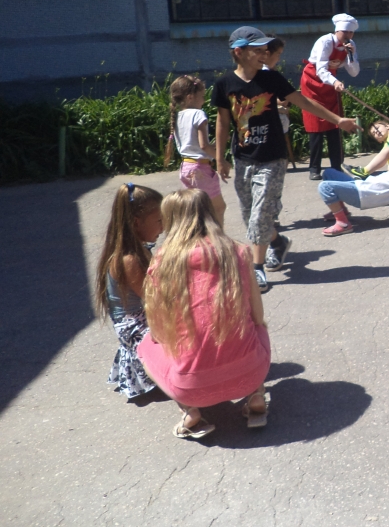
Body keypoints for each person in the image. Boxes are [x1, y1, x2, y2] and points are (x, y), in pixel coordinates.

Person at [212, 26, 359, 293]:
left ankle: (256, 269)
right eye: (258, 50)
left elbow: (304, 102)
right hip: (243, 157)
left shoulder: (272, 79)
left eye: (265, 50)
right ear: (239, 52)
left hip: (273, 157)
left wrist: (338, 120)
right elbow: (222, 122)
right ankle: (278, 242)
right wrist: (220, 158)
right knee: (250, 214)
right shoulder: (224, 84)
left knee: (260, 214)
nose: (264, 54)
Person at [137, 189, 271, 439]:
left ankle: (190, 411)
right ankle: (256, 395)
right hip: (252, 373)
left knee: (145, 346)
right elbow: (257, 314)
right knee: (257, 326)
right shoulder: (238, 252)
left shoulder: (163, 261)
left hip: (191, 388)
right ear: (210, 212)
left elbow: (158, 330)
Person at [96, 182, 163, 400]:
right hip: (134, 326)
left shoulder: (139, 250)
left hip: (140, 316)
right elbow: (155, 299)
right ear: (136, 222)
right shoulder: (129, 259)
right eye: (159, 221)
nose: (163, 227)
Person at [299, 14, 360, 180]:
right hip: (313, 84)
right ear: (337, 31)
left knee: (335, 123)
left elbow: (354, 72)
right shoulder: (325, 42)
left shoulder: (350, 45)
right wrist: (335, 81)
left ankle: (336, 166)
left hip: (331, 85)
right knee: (315, 126)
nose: (348, 36)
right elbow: (321, 70)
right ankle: (314, 168)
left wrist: (351, 56)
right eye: (345, 32)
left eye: (351, 33)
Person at [168, 75, 226, 227]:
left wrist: (213, 146)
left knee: (197, 211)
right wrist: (220, 159)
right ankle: (217, 239)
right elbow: (203, 146)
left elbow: (193, 145)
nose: (204, 101)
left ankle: (194, 238)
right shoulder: (198, 114)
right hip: (201, 169)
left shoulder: (178, 116)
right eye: (202, 96)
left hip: (186, 168)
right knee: (218, 208)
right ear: (190, 97)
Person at [263, 36, 296, 168]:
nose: (279, 59)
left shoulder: (271, 72)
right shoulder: (265, 74)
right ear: (267, 54)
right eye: (278, 54)